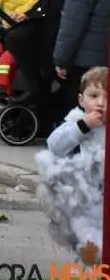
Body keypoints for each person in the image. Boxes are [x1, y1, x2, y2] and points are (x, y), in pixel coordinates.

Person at [36, 67, 106, 262]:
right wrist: (82, 127)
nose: (100, 103)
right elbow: (55, 145)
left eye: (107, 97)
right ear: (82, 100)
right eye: (94, 95)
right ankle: (87, 274)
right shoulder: (77, 122)